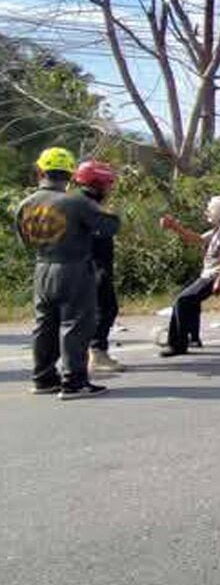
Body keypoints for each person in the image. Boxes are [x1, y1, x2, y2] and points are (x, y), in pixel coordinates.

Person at [15, 147, 120, 399]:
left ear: (40, 171)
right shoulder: (75, 201)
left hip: (42, 268)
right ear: (70, 175)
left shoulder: (25, 204)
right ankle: (74, 382)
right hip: (73, 268)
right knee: (76, 324)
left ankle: (43, 378)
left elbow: (23, 241)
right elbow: (108, 227)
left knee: (45, 325)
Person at [158, 196, 220, 357]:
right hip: (209, 274)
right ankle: (193, 338)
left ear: (219, 212)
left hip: (215, 274)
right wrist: (174, 227)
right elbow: (198, 239)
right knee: (191, 300)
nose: (207, 213)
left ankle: (177, 345)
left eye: (210, 209)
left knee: (182, 300)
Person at [73, 160, 125, 373]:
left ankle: (87, 354)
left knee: (94, 311)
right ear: (97, 183)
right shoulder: (87, 205)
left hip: (84, 265)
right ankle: (97, 353)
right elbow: (105, 231)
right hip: (93, 266)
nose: (109, 189)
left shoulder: (78, 203)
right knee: (105, 309)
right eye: (107, 184)